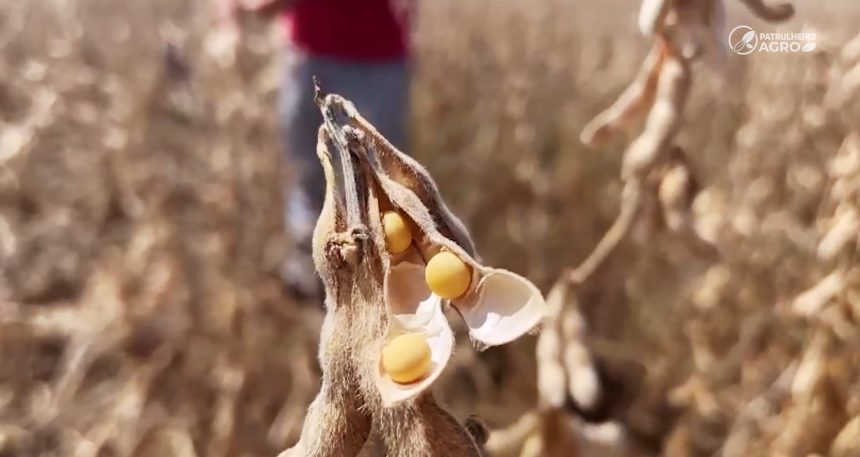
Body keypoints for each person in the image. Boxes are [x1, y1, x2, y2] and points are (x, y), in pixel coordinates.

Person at [218, 0, 413, 299]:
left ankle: (375, 283)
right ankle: (312, 269)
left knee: (372, 180)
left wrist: (255, 9)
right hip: (310, 54)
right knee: (306, 170)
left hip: (374, 59)